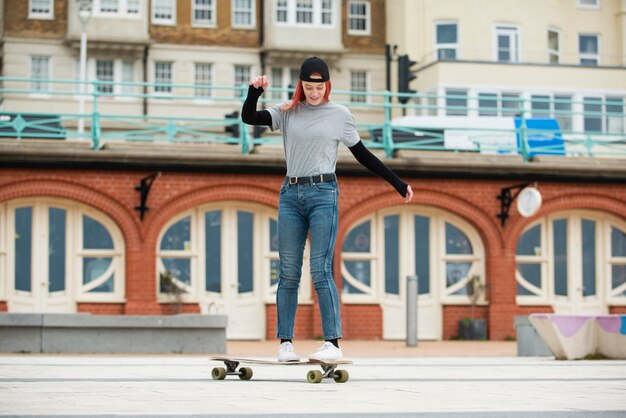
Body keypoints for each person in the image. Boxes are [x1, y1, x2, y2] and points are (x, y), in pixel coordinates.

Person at [242, 56, 413, 362]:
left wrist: (398, 183)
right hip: (290, 194)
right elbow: (249, 118)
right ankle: (285, 344)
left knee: (320, 269)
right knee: (288, 272)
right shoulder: (287, 112)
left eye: (319, 87)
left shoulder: (340, 115)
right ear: (301, 86)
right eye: (308, 87)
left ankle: (332, 342)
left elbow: (363, 155)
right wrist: (254, 92)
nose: (314, 93)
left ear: (327, 85)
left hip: (324, 193)